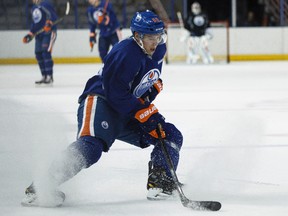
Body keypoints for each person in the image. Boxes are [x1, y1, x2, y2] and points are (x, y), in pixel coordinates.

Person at [22, 10, 183, 207]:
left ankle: (160, 185)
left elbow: (141, 82)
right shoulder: (124, 53)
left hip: (125, 108)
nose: (156, 42)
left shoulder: (158, 48)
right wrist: (145, 112)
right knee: (91, 147)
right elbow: (115, 92)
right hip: (101, 101)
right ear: (137, 36)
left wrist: (150, 93)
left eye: (159, 36)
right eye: (151, 37)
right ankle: (39, 188)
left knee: (169, 135)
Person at [23, 0, 58, 85]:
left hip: (49, 33)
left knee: (45, 53)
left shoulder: (45, 4)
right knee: (38, 54)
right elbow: (34, 23)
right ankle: (44, 76)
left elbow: (53, 16)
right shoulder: (34, 8)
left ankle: (49, 76)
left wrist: (49, 23)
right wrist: (30, 33)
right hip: (38, 35)